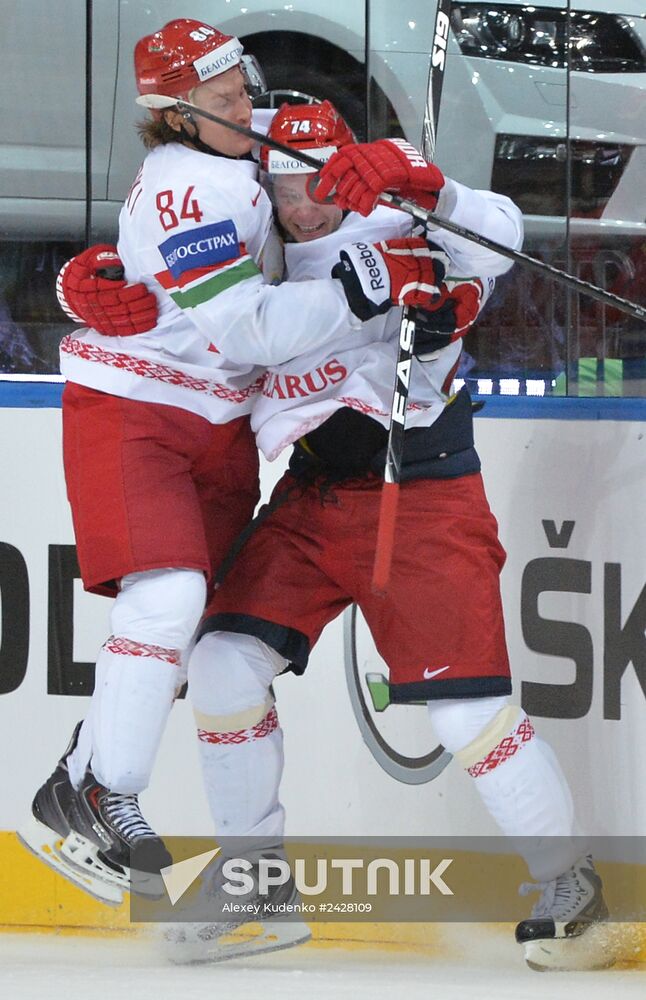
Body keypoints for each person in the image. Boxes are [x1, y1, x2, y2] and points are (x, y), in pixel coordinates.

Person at [18, 20, 446, 909]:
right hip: (138, 407)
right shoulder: (189, 185)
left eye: (242, 92)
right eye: (220, 104)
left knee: (177, 625)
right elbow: (246, 328)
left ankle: (80, 773)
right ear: (175, 116)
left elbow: (327, 150)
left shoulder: (237, 154)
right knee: (169, 599)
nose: (243, 111)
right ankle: (104, 790)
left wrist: (401, 170)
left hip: (218, 423)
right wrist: (361, 285)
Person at [179, 102, 610, 971]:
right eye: (284, 183)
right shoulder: (247, 230)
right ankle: (256, 883)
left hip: (419, 494)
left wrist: (430, 190)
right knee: (220, 663)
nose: (302, 201)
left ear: (345, 170)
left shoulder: (391, 209)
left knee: (464, 711)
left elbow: (498, 231)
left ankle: (572, 888)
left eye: (316, 181)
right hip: (311, 496)